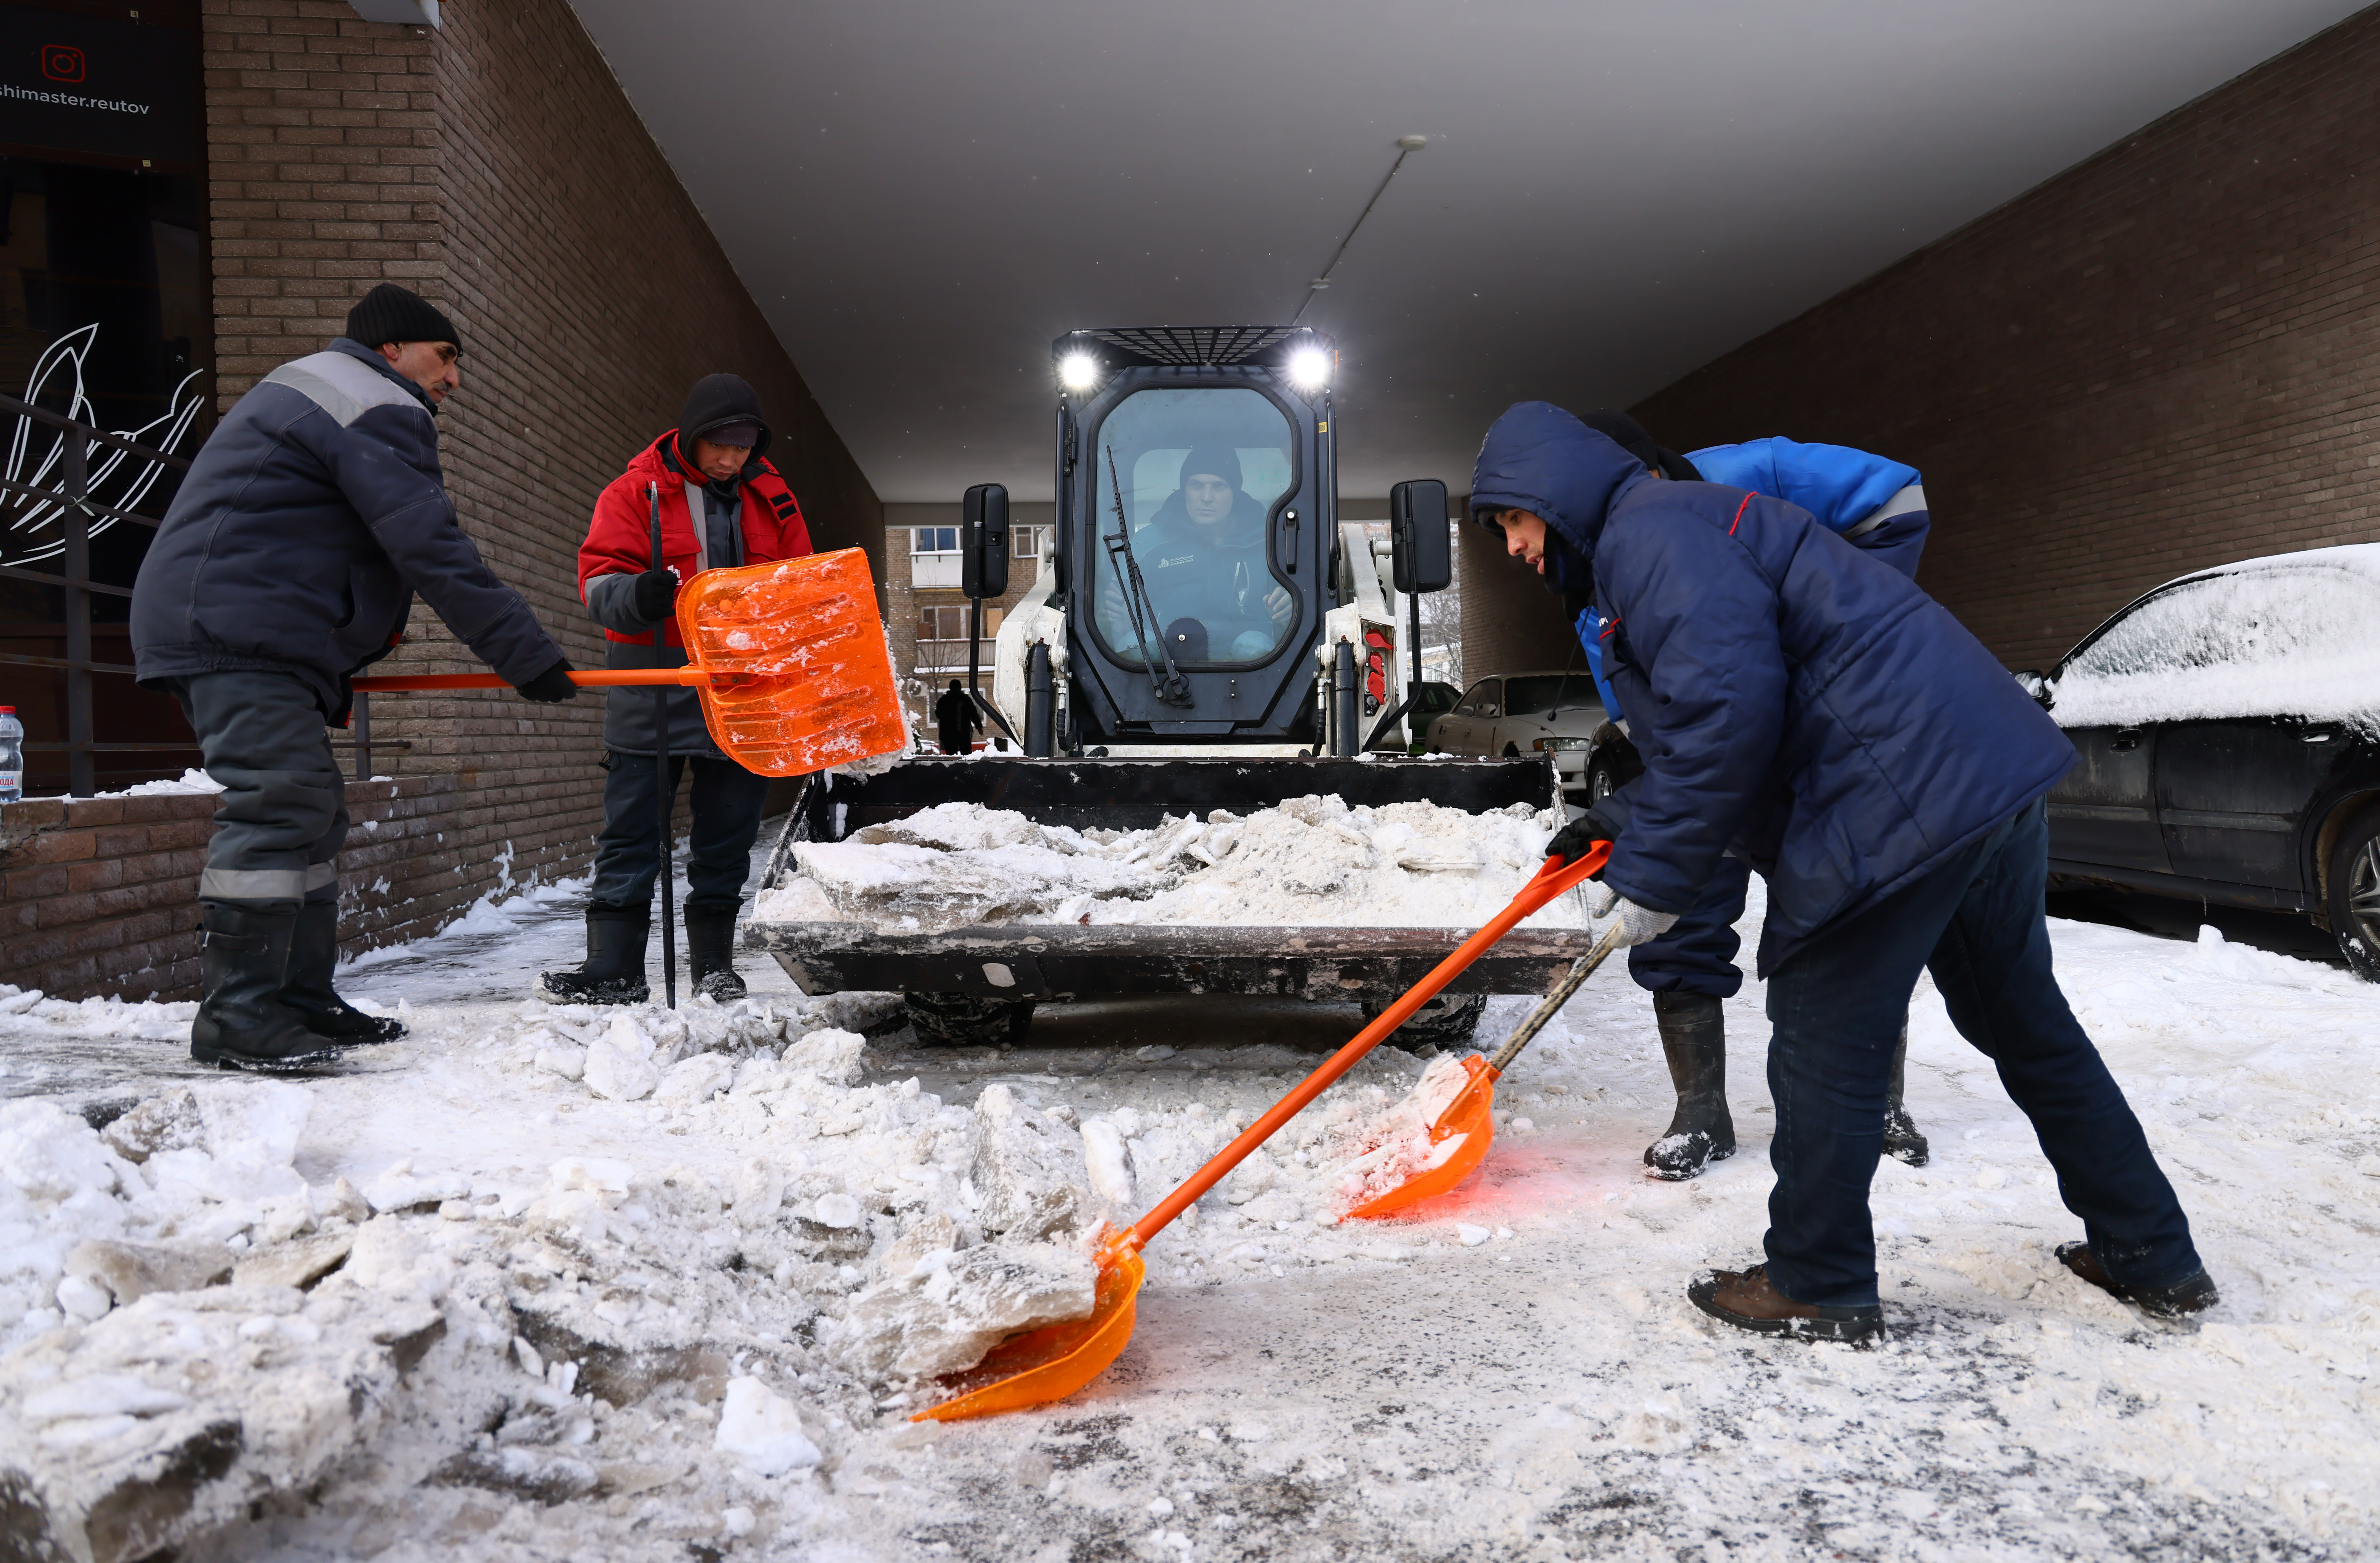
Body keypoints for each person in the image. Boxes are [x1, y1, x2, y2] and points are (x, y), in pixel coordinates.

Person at [1473, 402, 2213, 1338]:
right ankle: (2151, 1254)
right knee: (2024, 1024)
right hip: (1979, 769)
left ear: (1552, 489)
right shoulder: (1666, 537)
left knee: (1822, 1034)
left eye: (1511, 518)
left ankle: (1818, 1280)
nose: (1510, 544)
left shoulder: (1651, 532)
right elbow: (1728, 711)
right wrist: (1624, 822)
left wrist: (1659, 876)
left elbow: (1731, 709)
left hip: (1894, 790)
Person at [132, 282, 576, 1071]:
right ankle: (239, 1018)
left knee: (310, 813)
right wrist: (527, 655)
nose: (455, 379)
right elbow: (431, 545)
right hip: (240, 632)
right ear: (392, 350)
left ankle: (298, 999)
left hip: (252, 626)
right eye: (446, 357)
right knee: (279, 805)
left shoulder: (327, 392)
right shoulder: (372, 401)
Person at [1564, 413, 1933, 1180]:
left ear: (1655, 477)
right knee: (1680, 913)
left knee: (1849, 910)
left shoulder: (1755, 472)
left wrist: (1833, 642)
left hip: (1818, 747)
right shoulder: (1598, 572)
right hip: (1713, 750)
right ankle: (1700, 1111)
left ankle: (1877, 1103)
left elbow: (1895, 498)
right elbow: (1635, 698)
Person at [538, 374, 811, 1006]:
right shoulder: (634, 492)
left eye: (743, 447)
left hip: (742, 693)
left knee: (728, 833)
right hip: (652, 687)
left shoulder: (775, 499)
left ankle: (714, 966)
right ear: (692, 437)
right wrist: (634, 596)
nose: (730, 459)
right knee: (631, 833)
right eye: (719, 445)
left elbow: (798, 588)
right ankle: (614, 967)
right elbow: (597, 580)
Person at [1097, 445, 1293, 664]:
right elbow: (1114, 608)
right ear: (1184, 490)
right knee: (1134, 647)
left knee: (1254, 646)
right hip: (1162, 667)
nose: (1206, 497)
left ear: (1234, 493)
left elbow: (1292, 601)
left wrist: (1287, 609)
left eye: (1219, 486)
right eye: (1196, 485)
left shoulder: (1268, 543)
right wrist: (1110, 612)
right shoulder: (1147, 543)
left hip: (1251, 665)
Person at [935, 679, 983, 755]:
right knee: (966, 756)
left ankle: (953, 767)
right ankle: (966, 767)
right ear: (960, 688)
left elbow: (938, 715)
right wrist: (979, 728)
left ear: (950, 687)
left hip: (948, 734)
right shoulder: (966, 699)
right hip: (964, 733)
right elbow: (974, 714)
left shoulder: (943, 700)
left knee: (951, 758)